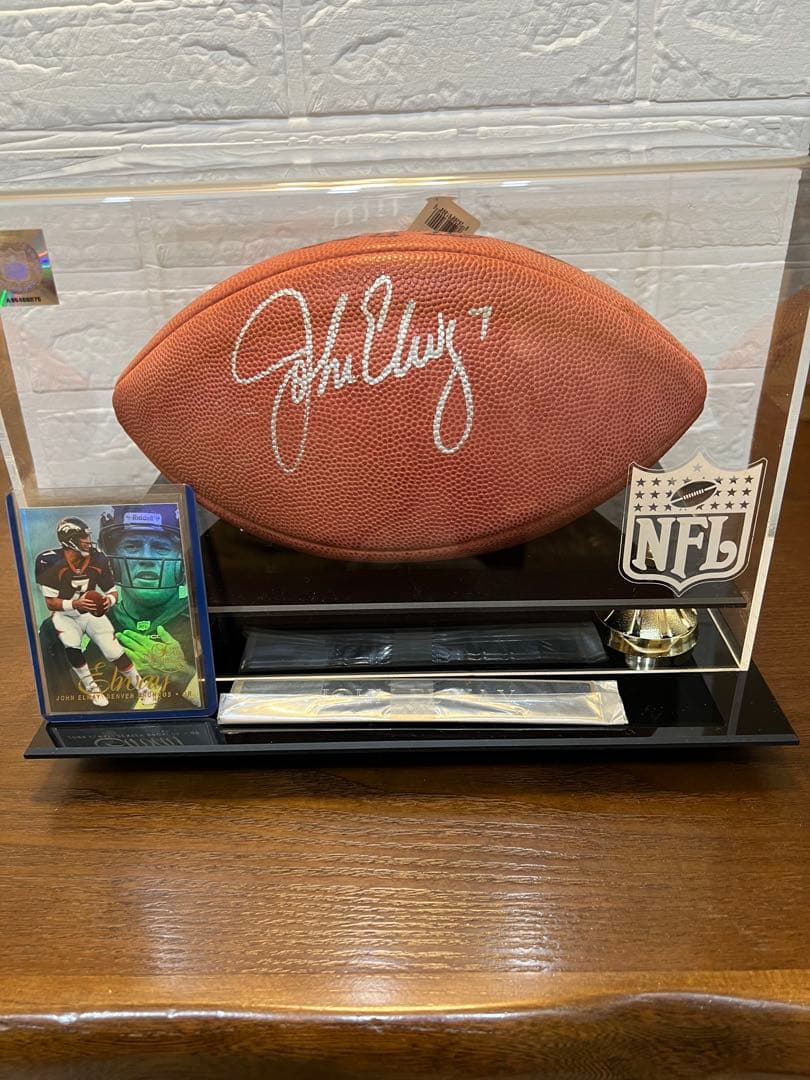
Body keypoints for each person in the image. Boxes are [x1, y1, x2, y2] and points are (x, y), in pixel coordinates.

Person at [35, 517, 157, 709]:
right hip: (66, 614)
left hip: (90, 613)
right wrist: (76, 603)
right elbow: (51, 603)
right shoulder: (49, 560)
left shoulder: (98, 558)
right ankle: (92, 688)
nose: (87, 541)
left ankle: (142, 688)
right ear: (69, 539)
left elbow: (112, 591)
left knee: (114, 651)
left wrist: (109, 601)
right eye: (83, 537)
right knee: (71, 644)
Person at [98, 504, 201, 707]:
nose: (146, 558)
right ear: (111, 561)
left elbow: (237, 704)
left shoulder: (206, 623)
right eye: (132, 546)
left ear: (182, 560)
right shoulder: (76, 625)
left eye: (161, 547)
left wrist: (182, 674)